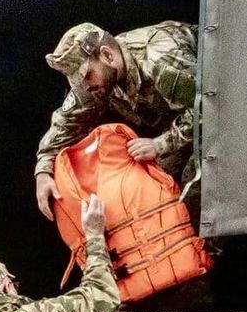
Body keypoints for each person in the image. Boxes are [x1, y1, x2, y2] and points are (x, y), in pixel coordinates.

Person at [34, 21, 200, 220]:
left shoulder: (158, 60)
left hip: (228, 119)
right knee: (151, 188)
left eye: (87, 76)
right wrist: (43, 170)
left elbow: (211, 107)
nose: (85, 87)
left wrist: (160, 144)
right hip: (187, 127)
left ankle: (204, 248)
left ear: (106, 55)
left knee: (195, 185)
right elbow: (67, 122)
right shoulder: (99, 78)